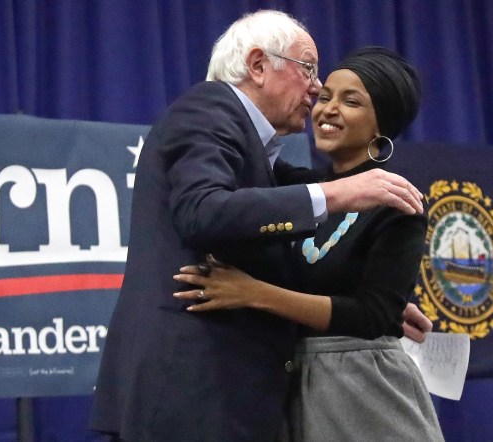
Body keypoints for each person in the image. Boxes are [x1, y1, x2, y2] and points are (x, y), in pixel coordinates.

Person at [90, 10, 426, 441]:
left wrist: (383, 304)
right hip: (192, 394)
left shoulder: (275, 164)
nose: (317, 91)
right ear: (258, 65)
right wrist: (336, 196)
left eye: (350, 99)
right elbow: (203, 212)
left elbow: (355, 299)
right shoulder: (211, 112)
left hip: (331, 398)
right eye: (309, 69)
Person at [174, 47, 444, 441]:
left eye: (351, 101)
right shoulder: (296, 188)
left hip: (365, 390)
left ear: (381, 126)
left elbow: (372, 316)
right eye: (325, 96)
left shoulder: (397, 203)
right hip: (289, 382)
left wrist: (251, 293)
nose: (327, 110)